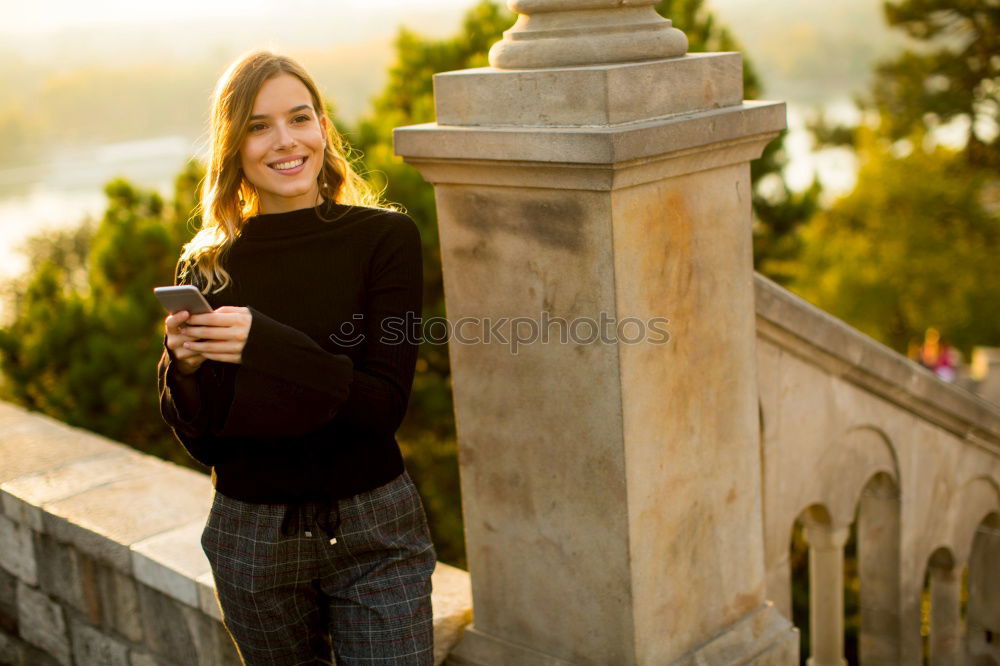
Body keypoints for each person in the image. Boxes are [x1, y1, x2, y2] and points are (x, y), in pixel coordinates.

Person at [156, 50, 435, 665]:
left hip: (375, 529)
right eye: (258, 126)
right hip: (251, 537)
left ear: (323, 129)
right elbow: (205, 442)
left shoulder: (385, 240)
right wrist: (186, 369)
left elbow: (380, 408)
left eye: (300, 118)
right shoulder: (207, 265)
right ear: (234, 145)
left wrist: (266, 344)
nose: (285, 141)